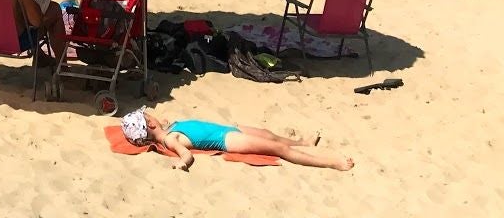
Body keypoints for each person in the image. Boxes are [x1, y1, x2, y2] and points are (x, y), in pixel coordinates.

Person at [119, 108, 352, 171]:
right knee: (278, 148)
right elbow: (186, 154)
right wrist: (182, 162)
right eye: (148, 115)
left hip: (227, 129)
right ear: (150, 124)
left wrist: (164, 125)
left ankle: (303, 143)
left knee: (268, 134)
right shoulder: (170, 139)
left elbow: (176, 128)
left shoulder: (169, 128)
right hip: (228, 140)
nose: (152, 114)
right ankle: (331, 163)